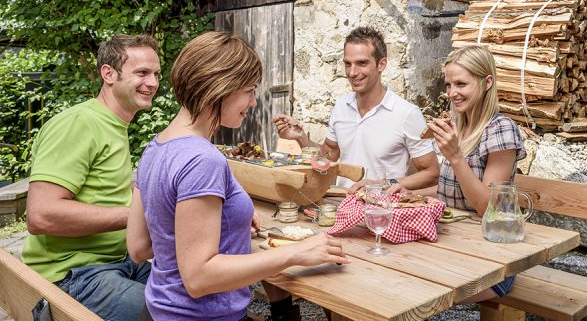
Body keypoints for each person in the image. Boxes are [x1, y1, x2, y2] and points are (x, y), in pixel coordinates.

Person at [127, 31, 349, 321]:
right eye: (249, 90)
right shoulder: (202, 159)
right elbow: (198, 278)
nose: (253, 102)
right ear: (220, 87)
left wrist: (225, 225)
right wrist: (295, 253)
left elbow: (139, 247)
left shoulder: (155, 147)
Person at [23, 34, 161, 321]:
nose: (152, 83)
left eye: (156, 74)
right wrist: (136, 215)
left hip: (119, 262)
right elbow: (41, 215)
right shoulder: (79, 123)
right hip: (72, 274)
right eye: (142, 73)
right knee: (174, 314)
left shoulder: (114, 124)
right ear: (108, 74)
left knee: (200, 297)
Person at [405, 44, 527, 302]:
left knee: (410, 291)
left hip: (493, 262)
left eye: (461, 84)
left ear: (487, 82)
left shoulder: (501, 130)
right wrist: (410, 193)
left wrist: (455, 156)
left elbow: (487, 208)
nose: (452, 93)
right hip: (455, 242)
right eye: (449, 85)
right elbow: (453, 190)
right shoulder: (459, 126)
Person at [273, 26, 439, 191]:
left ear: (381, 64)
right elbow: (328, 156)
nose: (352, 72)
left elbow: (431, 173)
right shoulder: (341, 106)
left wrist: (383, 184)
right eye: (348, 64)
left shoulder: (407, 113)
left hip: (382, 205)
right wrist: (300, 138)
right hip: (342, 202)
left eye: (362, 63)